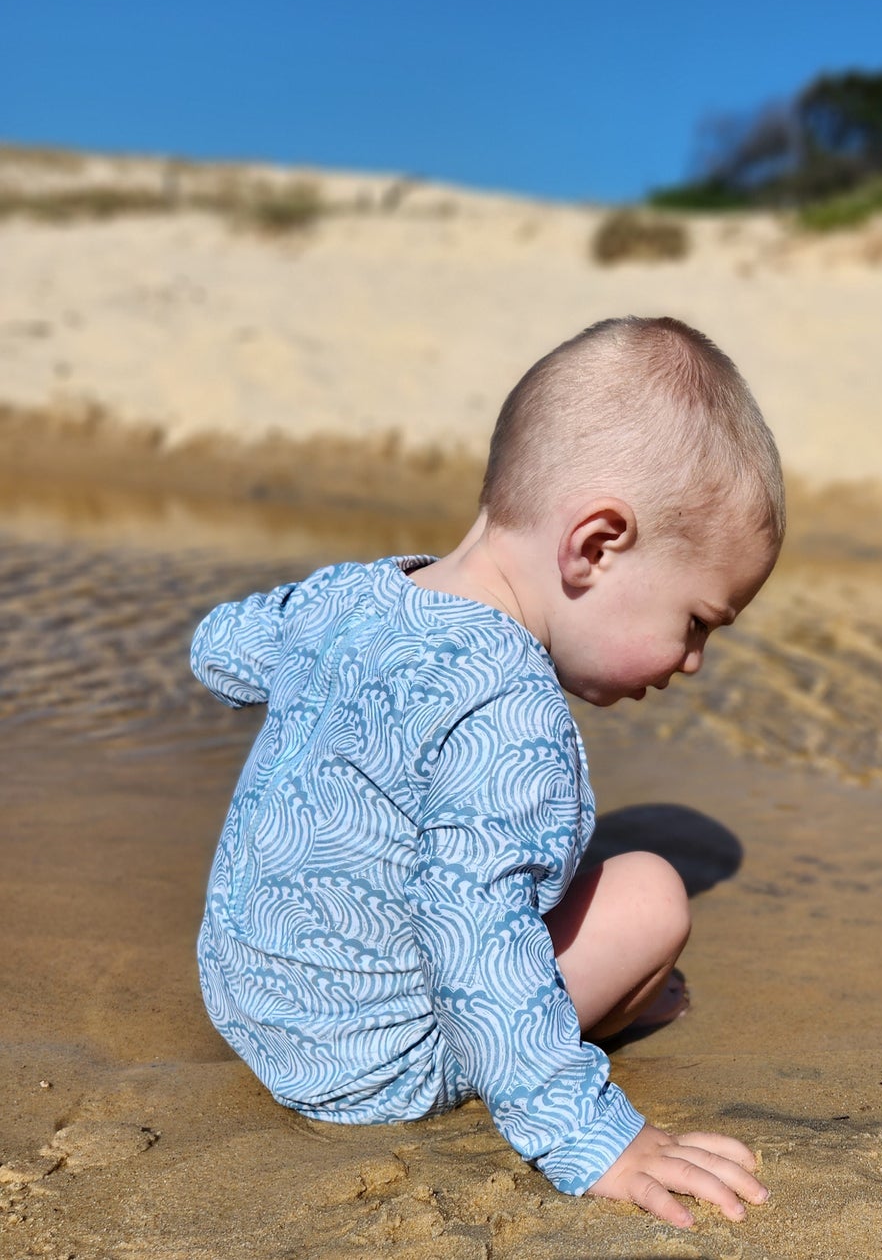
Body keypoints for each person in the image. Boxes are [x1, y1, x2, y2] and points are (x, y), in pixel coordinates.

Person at [190, 316, 783, 1230]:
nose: (693, 660)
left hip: (249, 998)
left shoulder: (350, 596)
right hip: (374, 1063)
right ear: (595, 546)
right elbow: (470, 926)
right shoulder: (512, 713)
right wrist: (594, 1134)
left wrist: (318, 661)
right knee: (650, 892)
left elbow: (219, 647)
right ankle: (575, 1028)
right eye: (698, 620)